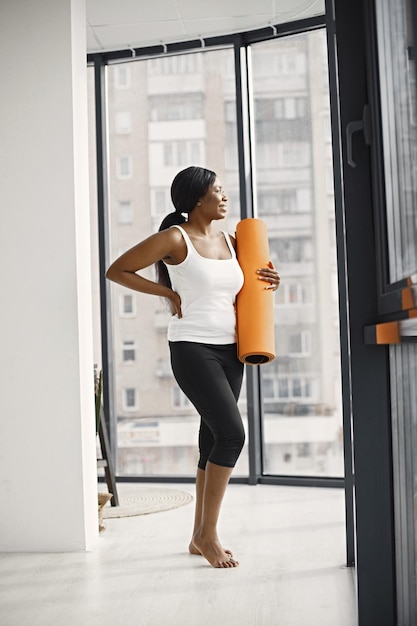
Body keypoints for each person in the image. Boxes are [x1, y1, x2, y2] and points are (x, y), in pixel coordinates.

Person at [106, 165, 280, 568]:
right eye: (217, 191)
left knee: (212, 440)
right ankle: (209, 534)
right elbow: (118, 270)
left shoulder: (233, 241)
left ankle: (196, 536)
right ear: (196, 198)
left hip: (230, 350)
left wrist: (273, 279)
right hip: (192, 347)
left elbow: (254, 282)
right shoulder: (175, 238)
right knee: (233, 435)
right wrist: (166, 291)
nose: (224, 197)